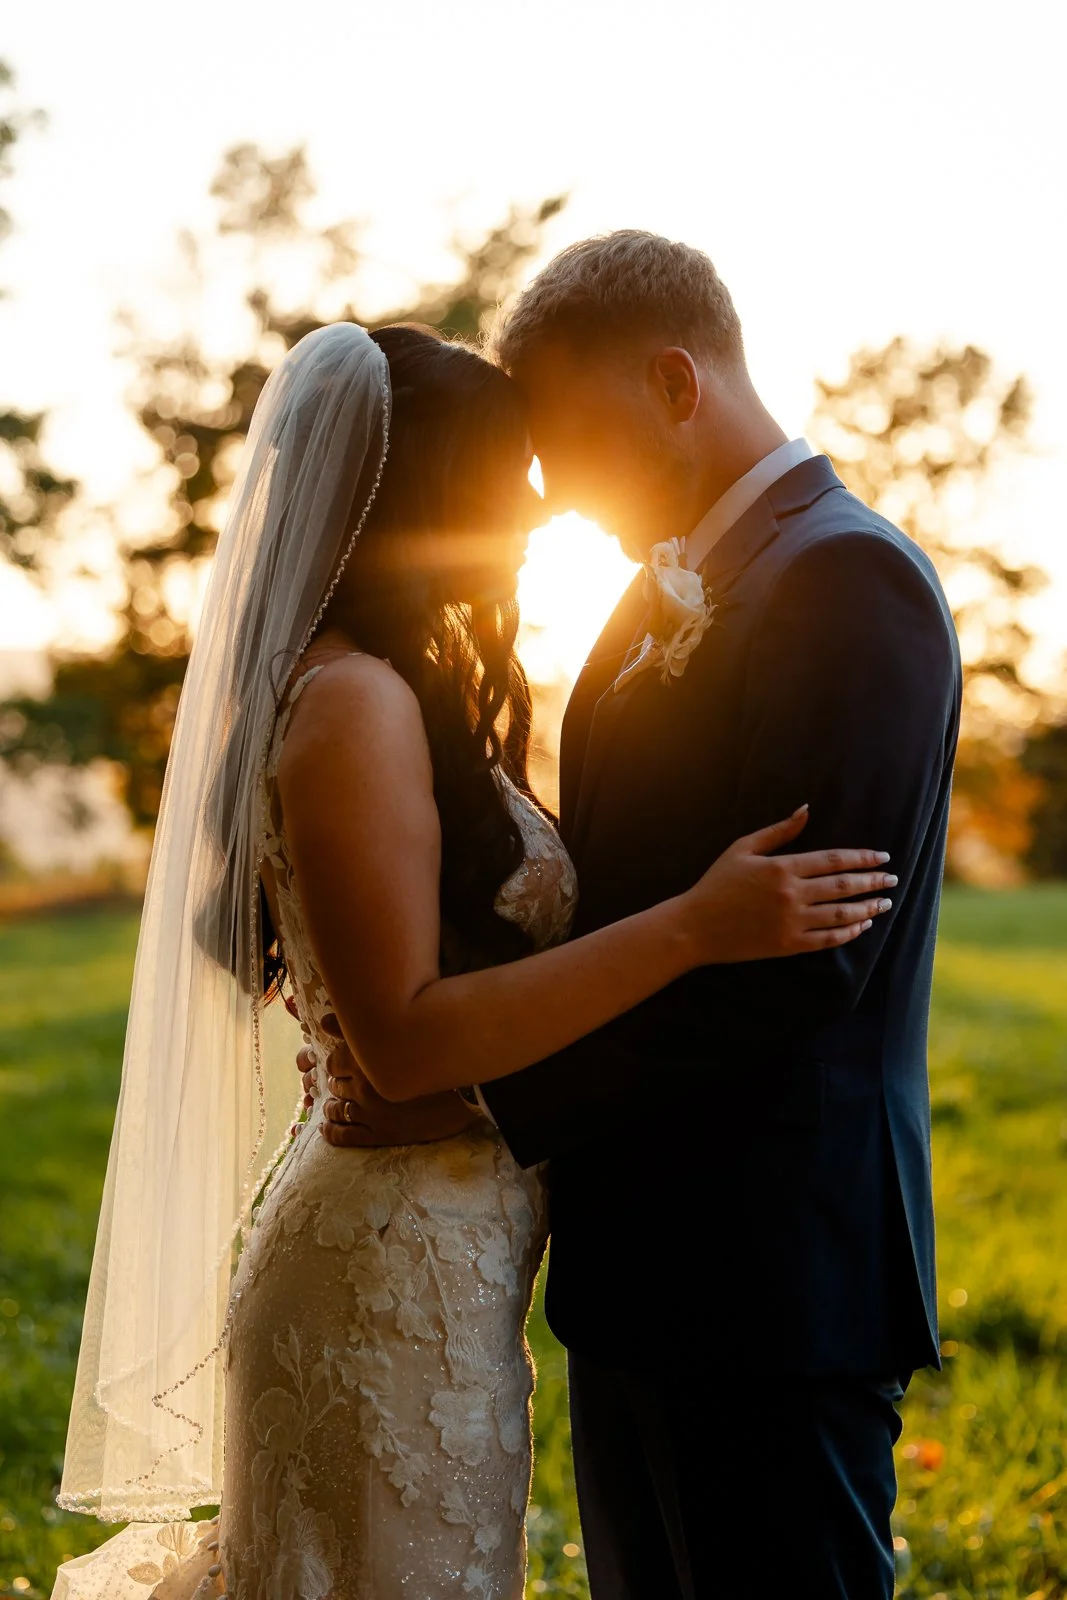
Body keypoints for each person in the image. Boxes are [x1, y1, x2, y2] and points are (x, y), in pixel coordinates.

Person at [52, 318, 892, 1600]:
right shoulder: (351, 704)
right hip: (384, 1282)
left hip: (439, 1266)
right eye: (511, 472)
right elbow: (401, 1037)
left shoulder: (398, 685)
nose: (538, 504)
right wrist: (693, 925)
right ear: (428, 491)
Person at [318, 235, 963, 1600]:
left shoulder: (849, 584)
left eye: (564, 434)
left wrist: (483, 1102)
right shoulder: (639, 599)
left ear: (674, 383)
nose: (545, 487)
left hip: (772, 1276)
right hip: (636, 1271)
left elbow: (796, 967)